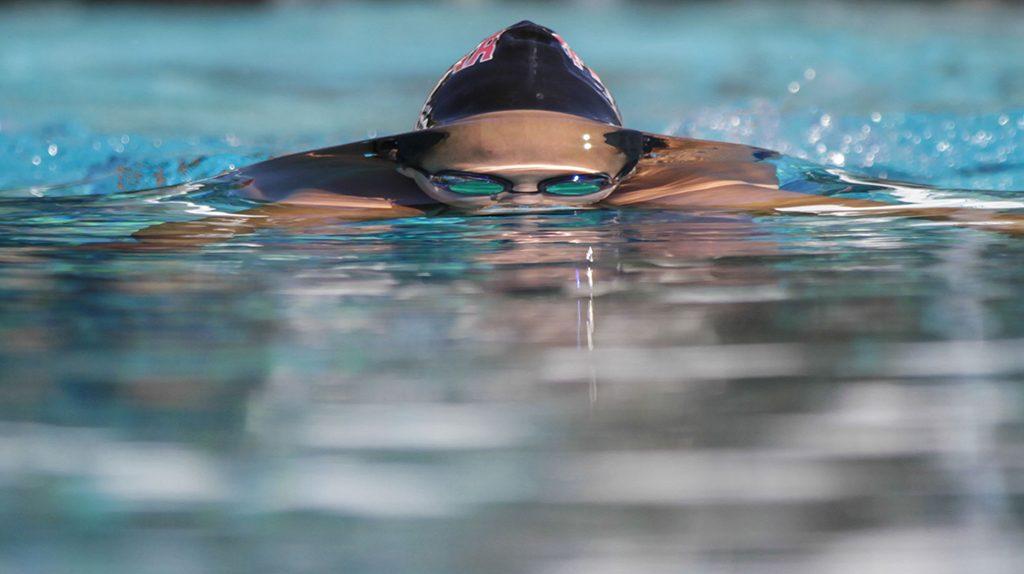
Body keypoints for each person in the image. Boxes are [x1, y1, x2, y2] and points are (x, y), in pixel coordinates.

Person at [136, 20, 1023, 243]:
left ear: (624, 172)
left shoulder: (693, 202)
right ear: (416, 171)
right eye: (482, 185)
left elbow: (910, 212)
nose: (528, 218)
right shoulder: (351, 206)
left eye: (565, 184)